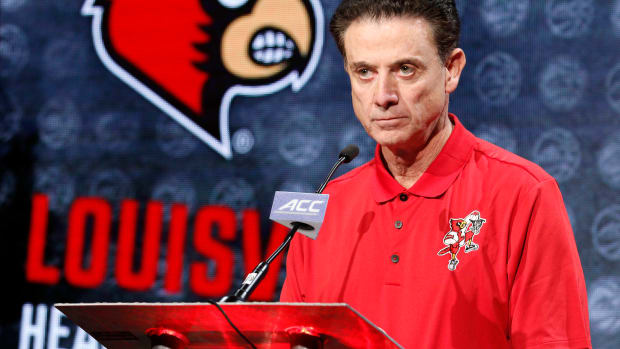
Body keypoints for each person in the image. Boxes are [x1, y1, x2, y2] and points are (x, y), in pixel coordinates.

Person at [279, 0, 592, 348]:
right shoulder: (323, 205)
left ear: (451, 70)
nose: (382, 96)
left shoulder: (524, 194)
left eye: (405, 69)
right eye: (364, 72)